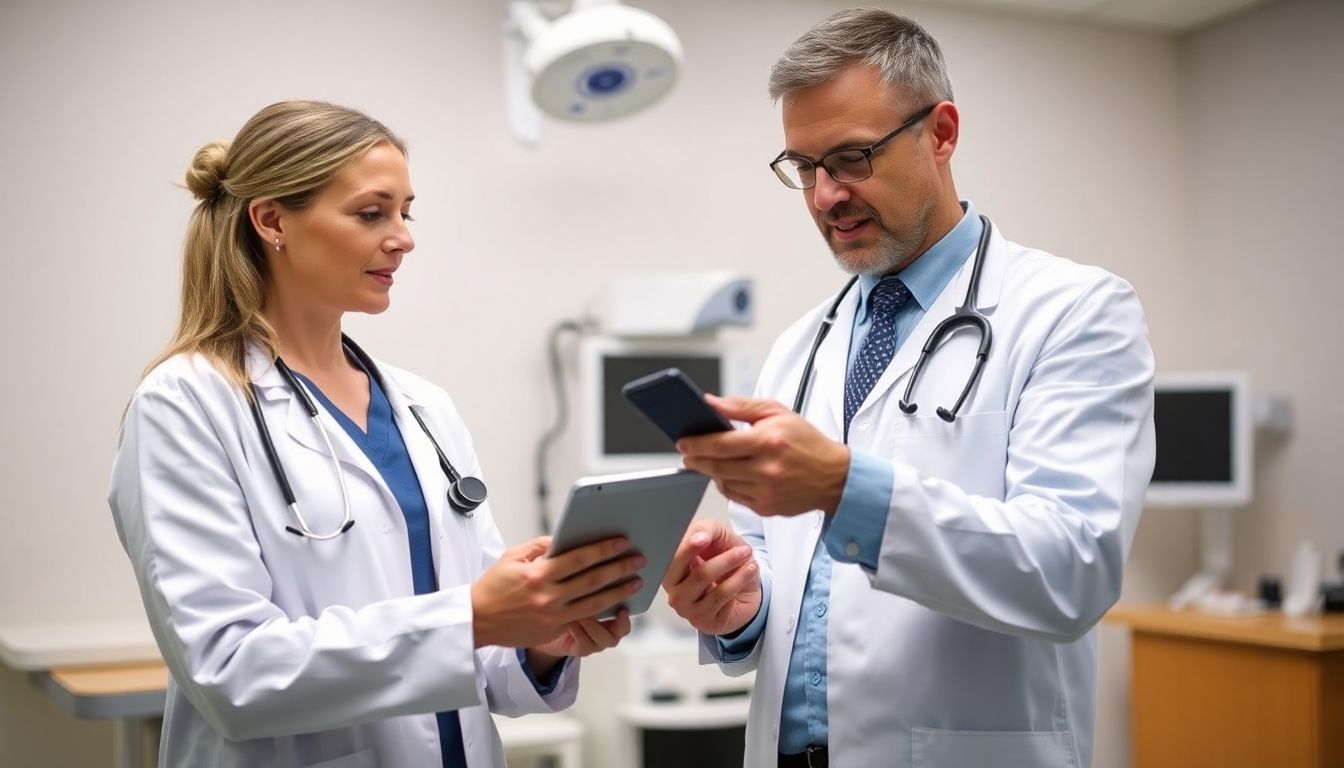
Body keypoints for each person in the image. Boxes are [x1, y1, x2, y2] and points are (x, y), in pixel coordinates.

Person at [660, 9, 1155, 768]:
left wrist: (842, 487)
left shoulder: (1074, 311)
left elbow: (1072, 570)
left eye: (852, 158)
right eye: (803, 168)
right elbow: (780, 571)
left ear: (943, 133)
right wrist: (737, 607)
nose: (825, 196)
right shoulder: (800, 347)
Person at [109, 100, 645, 768]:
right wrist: (474, 617)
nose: (403, 237)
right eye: (371, 213)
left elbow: (477, 663)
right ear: (272, 220)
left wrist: (540, 637)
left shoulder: (424, 407)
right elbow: (231, 672)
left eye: (405, 212)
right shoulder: (187, 404)